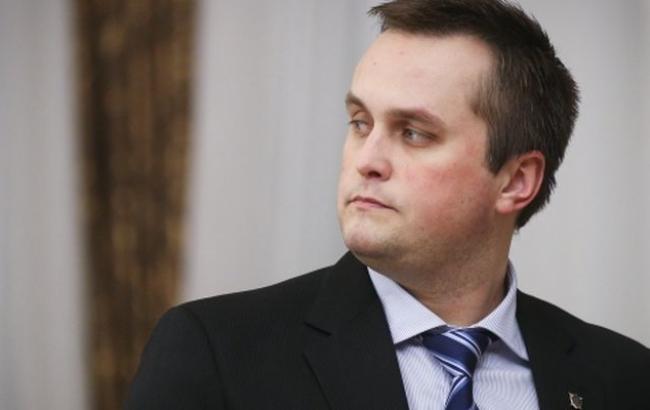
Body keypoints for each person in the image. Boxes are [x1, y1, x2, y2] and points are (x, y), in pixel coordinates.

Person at [127, 0, 650, 409]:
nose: (367, 160)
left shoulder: (625, 379)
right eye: (360, 123)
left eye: (414, 132)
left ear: (516, 180)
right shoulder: (217, 353)